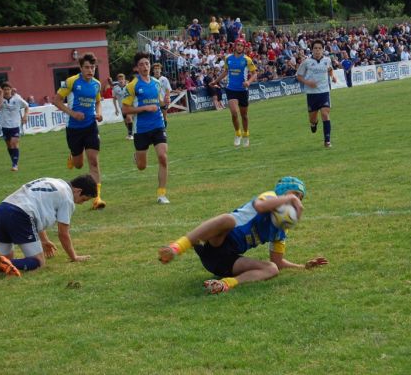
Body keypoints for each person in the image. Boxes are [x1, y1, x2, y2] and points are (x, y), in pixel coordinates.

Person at [157, 176, 328, 294]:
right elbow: (261, 207)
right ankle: (176, 247)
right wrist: (288, 199)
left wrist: (303, 267)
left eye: (300, 198)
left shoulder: (281, 229)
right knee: (228, 220)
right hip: (215, 242)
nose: (297, 201)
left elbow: (277, 261)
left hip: (226, 263)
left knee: (272, 268)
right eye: (294, 195)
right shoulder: (269, 197)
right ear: (282, 193)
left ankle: (224, 284)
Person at [0, 175, 97, 280]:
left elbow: (38, 207)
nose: (81, 203)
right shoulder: (67, 198)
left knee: (8, 262)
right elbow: (63, 233)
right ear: (78, 190)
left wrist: (43, 240)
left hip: (2, 209)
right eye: (84, 199)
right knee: (38, 262)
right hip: (19, 215)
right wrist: (74, 257)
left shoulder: (54, 181)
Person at [53, 52, 106, 209]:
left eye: (93, 67)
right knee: (78, 165)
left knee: (94, 162)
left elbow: (98, 102)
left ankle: (97, 198)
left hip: (90, 126)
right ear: (81, 68)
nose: (90, 70)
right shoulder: (71, 82)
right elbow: (56, 100)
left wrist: (99, 113)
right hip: (74, 129)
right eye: (87, 67)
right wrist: (73, 113)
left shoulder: (96, 84)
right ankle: (73, 156)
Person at [122, 52, 170, 204]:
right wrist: (144, 108)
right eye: (141, 64)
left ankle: (161, 194)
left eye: (147, 64)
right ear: (137, 68)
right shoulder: (132, 86)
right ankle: (137, 158)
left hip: (158, 124)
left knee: (163, 157)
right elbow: (125, 109)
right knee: (142, 167)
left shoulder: (157, 82)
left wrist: (164, 102)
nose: (145, 67)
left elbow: (159, 102)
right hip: (141, 128)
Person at [211, 38, 257, 147]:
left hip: (243, 90)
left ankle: (246, 134)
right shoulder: (228, 59)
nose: (239, 47)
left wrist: (248, 82)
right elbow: (226, 72)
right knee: (234, 113)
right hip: (231, 89)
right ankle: (237, 133)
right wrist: (215, 81)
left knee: (244, 115)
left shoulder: (247, 59)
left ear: (244, 47)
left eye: (242, 45)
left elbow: (254, 73)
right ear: (235, 46)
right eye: (238, 45)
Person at [296, 39, 338, 148]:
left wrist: (332, 76)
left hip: (324, 92)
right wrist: (307, 82)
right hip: (312, 94)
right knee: (313, 118)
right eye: (315, 48)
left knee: (325, 114)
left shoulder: (327, 60)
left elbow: (329, 69)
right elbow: (299, 76)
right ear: (312, 50)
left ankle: (327, 141)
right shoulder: (306, 62)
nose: (317, 50)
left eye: (320, 48)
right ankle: (313, 123)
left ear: (323, 49)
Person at [0, 82, 29, 171]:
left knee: (14, 143)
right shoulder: (0, 99)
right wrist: (1, 94)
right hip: (5, 125)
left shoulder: (17, 98)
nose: (7, 91)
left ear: (11, 89)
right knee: (9, 145)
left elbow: (27, 106)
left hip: (15, 125)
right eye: (5, 89)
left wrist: (25, 116)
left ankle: (15, 165)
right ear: (2, 90)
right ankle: (14, 161)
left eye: (8, 89)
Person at [112, 73, 134, 140]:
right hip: (122, 107)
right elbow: (114, 99)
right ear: (117, 80)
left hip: (129, 106)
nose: (121, 80)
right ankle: (131, 132)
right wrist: (116, 109)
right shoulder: (115, 88)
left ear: (125, 80)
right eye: (119, 79)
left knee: (129, 118)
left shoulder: (128, 86)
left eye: (122, 79)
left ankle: (130, 135)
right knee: (125, 122)